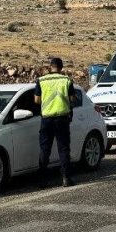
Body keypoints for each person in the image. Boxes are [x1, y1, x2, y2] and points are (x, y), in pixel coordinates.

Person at [37, 57, 78, 187]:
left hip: (46, 119)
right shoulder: (66, 80)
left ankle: (43, 180)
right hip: (62, 118)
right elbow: (72, 99)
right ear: (61, 68)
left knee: (45, 149)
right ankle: (66, 178)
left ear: (50, 67)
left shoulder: (41, 80)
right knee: (63, 149)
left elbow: (36, 100)